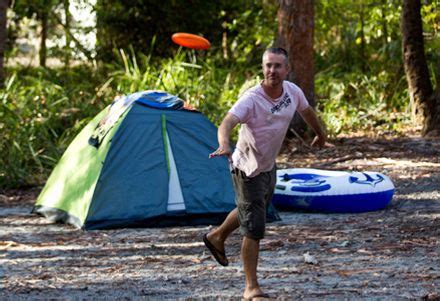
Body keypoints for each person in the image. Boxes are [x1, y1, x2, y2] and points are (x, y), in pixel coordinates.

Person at [204, 47, 327, 299]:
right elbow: (226, 122)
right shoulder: (252, 98)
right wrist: (224, 143)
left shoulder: (292, 92)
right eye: (268, 65)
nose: (272, 70)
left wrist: (320, 133)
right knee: (254, 227)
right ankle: (251, 288)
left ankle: (216, 236)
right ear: (263, 68)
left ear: (287, 69)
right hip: (247, 167)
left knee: (252, 208)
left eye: (278, 66)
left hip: (268, 165)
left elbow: (306, 111)